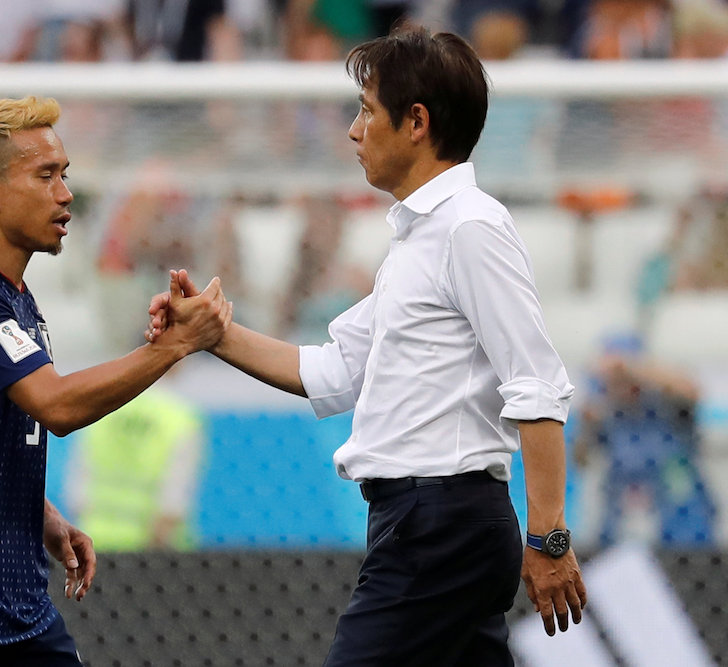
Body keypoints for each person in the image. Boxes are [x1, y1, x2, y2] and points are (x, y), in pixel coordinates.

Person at [150, 26, 587, 665]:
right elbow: (333, 371)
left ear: (415, 121)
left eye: (365, 111)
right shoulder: (422, 239)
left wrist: (549, 535)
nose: (354, 131)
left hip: (441, 525)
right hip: (428, 524)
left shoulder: (470, 228)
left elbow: (538, 383)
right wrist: (211, 334)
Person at [0, 96, 232, 666]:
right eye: (45, 176)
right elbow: (57, 407)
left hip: (18, 598)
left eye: (64, 175)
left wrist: (41, 515)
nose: (65, 194)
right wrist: (176, 347)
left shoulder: (14, 299)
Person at [574, 333, 717, 546]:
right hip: (620, 533)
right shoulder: (607, 411)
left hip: (683, 533)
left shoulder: (666, 400)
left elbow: (691, 392)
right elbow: (581, 459)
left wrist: (629, 366)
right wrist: (588, 420)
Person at [65, 382, 205, 551]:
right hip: (150, 548)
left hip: (94, 540)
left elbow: (77, 489)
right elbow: (173, 502)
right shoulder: (179, 417)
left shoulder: (98, 407)